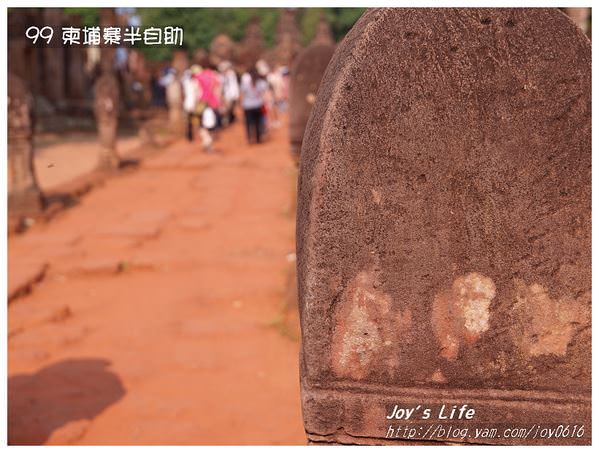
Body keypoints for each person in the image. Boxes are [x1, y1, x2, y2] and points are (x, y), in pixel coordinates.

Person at [240, 67, 268, 144]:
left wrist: (241, 104)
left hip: (247, 106)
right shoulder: (260, 83)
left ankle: (249, 139)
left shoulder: (246, 84)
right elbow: (264, 94)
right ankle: (258, 138)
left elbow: (242, 94)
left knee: (248, 123)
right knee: (258, 122)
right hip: (258, 105)